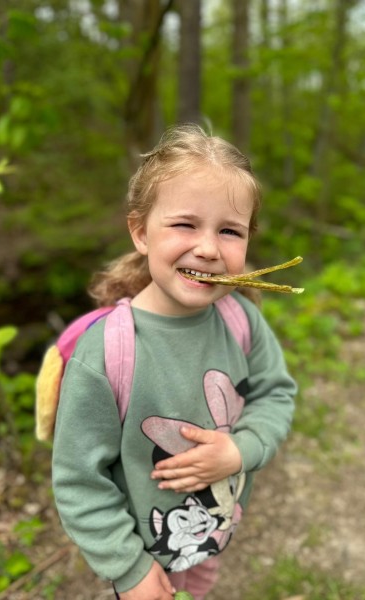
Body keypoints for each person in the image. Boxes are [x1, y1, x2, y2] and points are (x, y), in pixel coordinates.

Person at [51, 124, 297, 600]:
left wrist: (240, 449)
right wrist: (129, 570)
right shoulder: (107, 352)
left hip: (213, 531)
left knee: (198, 587)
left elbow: (275, 393)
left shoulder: (239, 319)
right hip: (141, 553)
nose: (207, 248)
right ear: (140, 232)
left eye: (229, 231)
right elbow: (80, 480)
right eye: (185, 224)